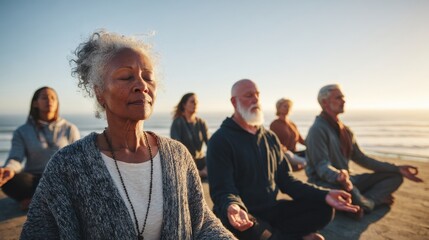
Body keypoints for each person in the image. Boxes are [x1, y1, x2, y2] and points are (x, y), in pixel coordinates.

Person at [21, 30, 235, 239]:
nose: (142, 85)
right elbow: (38, 231)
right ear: (99, 92)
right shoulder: (67, 165)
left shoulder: (178, 156)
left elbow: (202, 221)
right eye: (126, 77)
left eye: (148, 77)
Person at [206, 79, 360, 240]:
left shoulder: (270, 138)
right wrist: (233, 205)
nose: (256, 100)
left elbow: (287, 181)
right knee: (248, 228)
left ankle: (278, 235)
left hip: (270, 210)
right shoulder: (220, 140)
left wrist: (325, 194)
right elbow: (223, 189)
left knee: (324, 208)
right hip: (241, 215)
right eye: (249, 95)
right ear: (234, 101)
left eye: (257, 95)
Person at [305, 84, 423, 218]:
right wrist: (338, 176)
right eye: (338, 98)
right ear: (325, 102)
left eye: (343, 97)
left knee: (394, 177)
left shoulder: (345, 130)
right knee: (347, 194)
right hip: (325, 183)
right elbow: (321, 166)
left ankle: (365, 201)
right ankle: (366, 203)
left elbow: (362, 158)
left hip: (348, 180)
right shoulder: (317, 129)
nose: (343, 101)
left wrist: (397, 168)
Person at [0, 86, 80, 210]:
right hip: (33, 180)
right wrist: (9, 169)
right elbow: (15, 158)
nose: (49, 101)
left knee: (73, 181)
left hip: (60, 179)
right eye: (44, 97)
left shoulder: (70, 128)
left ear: (57, 103)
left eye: (53, 98)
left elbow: (78, 160)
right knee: (9, 180)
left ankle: (35, 201)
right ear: (35, 103)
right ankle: (46, 201)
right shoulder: (22, 131)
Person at [170, 93, 210, 178]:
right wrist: (194, 170)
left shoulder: (201, 122)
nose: (195, 104)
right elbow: (177, 150)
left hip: (202, 164)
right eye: (192, 102)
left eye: (196, 102)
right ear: (184, 105)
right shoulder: (177, 123)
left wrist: (206, 168)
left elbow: (211, 145)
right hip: (185, 164)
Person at [270, 98, 307, 171]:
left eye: (289, 106)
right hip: (284, 154)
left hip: (295, 154)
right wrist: (283, 149)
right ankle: (303, 162)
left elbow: (301, 140)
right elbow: (273, 142)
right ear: (278, 108)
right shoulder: (274, 124)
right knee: (289, 155)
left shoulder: (292, 124)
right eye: (285, 106)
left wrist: (314, 146)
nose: (288, 108)